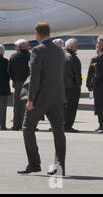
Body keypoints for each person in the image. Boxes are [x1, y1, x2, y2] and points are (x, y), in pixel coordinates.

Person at [19, 22, 67, 176]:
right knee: (59, 131)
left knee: (27, 128)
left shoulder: (38, 50)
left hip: (41, 97)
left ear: (37, 33)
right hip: (57, 96)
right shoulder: (59, 51)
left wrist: (30, 99)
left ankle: (34, 163)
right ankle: (60, 166)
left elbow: (35, 76)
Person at [86, 37, 103, 133]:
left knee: (102, 107)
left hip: (102, 85)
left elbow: (100, 72)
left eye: (99, 43)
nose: (98, 45)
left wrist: (93, 82)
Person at [8, 39, 31, 131]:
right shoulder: (31, 56)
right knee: (26, 104)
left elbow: (9, 71)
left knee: (17, 104)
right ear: (24, 47)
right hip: (28, 82)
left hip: (17, 82)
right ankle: (24, 124)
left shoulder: (14, 56)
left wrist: (14, 78)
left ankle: (16, 124)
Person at [63, 38, 82, 132]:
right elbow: (76, 73)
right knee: (71, 107)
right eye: (76, 46)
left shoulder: (61, 55)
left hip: (63, 85)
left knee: (63, 107)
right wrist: (78, 85)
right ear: (72, 47)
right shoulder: (72, 57)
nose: (77, 47)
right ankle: (67, 125)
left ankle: (63, 124)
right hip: (72, 86)